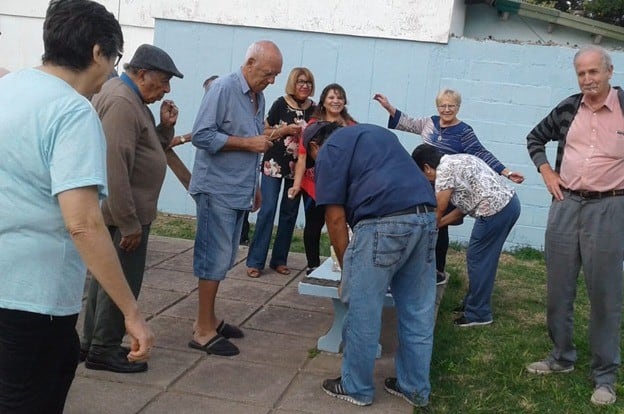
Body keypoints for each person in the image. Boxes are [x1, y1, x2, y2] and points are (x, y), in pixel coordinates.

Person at [0, 1, 154, 412]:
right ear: (97, 52)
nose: (111, 74)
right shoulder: (71, 111)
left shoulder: (8, 89)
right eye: (115, 59)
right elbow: (84, 223)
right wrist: (131, 312)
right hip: (35, 301)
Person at [303, 122, 437, 408]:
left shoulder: (328, 151)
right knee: (417, 310)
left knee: (364, 309)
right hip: (425, 217)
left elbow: (336, 220)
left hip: (382, 223)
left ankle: (356, 387)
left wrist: (346, 270)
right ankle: (414, 388)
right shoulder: (376, 133)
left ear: (315, 146)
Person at [525, 45, 624, 406]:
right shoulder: (570, 107)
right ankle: (562, 357)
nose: (587, 80)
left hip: (610, 207)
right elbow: (535, 137)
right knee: (558, 289)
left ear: (609, 72)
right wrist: (547, 170)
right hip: (566, 204)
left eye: (593, 72)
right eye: (581, 73)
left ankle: (604, 375)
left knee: (605, 295)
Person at [81, 44, 183, 373]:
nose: (167, 89)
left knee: (105, 278)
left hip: (123, 213)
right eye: (164, 80)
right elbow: (115, 168)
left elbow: (143, 148)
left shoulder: (131, 98)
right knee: (121, 281)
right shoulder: (124, 103)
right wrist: (129, 223)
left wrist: (165, 128)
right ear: (142, 74)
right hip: (125, 215)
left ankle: (93, 342)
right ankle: (103, 349)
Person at [189, 40, 283, 356]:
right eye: (269, 73)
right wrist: (246, 144)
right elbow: (201, 135)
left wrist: (253, 185)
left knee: (226, 257)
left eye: (275, 76)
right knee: (212, 259)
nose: (272, 81)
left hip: (238, 188)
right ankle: (202, 330)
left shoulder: (259, 96)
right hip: (216, 188)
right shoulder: (222, 89)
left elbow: (256, 144)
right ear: (251, 63)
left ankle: (211, 319)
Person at [374, 90, 524, 284]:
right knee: (424, 222)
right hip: (426, 185)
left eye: (451, 106)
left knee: (440, 227)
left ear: (457, 107)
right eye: (443, 106)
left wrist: (507, 172)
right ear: (437, 107)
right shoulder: (430, 123)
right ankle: (416, 265)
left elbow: (481, 153)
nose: (446, 110)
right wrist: (388, 107)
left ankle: (437, 269)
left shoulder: (464, 132)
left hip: (449, 188)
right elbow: (408, 123)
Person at [412, 144, 521, 327]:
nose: (427, 180)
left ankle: (478, 314)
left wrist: (425, 229)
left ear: (426, 167)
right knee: (483, 259)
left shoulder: (444, 172)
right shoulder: (458, 160)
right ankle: (473, 304)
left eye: (423, 175)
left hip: (495, 211)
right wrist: (438, 225)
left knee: (478, 259)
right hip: (509, 205)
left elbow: (438, 209)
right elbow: (462, 209)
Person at [246, 67, 316, 278]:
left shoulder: (314, 108)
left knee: (289, 213)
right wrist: (284, 131)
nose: (305, 86)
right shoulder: (280, 103)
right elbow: (262, 130)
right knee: (267, 210)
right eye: (301, 82)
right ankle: (255, 261)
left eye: (308, 83)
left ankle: (279, 260)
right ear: (293, 83)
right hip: (274, 165)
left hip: (299, 169)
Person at [288, 83, 356, 274]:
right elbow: (302, 157)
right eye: (331, 97)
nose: (336, 101)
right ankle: (312, 265)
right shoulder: (312, 126)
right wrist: (296, 185)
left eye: (340, 97)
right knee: (313, 225)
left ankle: (346, 265)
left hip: (343, 185)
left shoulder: (352, 126)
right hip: (314, 184)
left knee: (345, 225)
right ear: (323, 102)